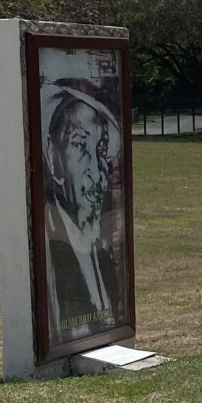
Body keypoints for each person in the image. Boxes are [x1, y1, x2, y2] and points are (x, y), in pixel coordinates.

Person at [42, 77, 126, 343]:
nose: (98, 173)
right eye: (80, 145)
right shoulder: (49, 247)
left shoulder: (100, 250)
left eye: (100, 150)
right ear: (54, 158)